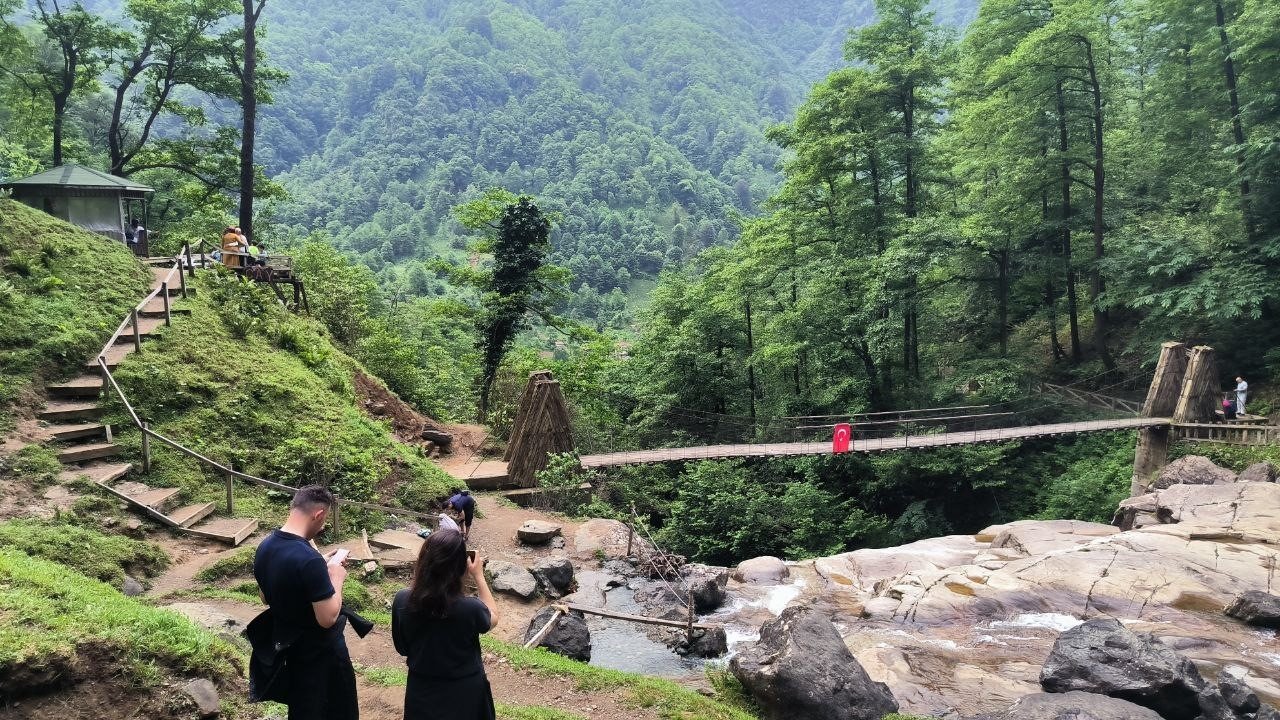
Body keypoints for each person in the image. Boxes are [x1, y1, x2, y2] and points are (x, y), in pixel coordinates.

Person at [252, 485, 359, 720]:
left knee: (303, 709)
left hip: (292, 651)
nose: (322, 527)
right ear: (318, 514)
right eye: (324, 521)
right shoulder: (307, 559)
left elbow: (265, 596)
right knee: (337, 711)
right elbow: (327, 617)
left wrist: (319, 566)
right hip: (322, 655)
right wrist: (335, 577)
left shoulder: (266, 546)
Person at [392, 529, 499, 720]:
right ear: (460, 567)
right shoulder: (470, 608)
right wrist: (479, 576)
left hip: (421, 691)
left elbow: (402, 647)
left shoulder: (402, 600)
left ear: (423, 561)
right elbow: (493, 618)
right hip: (465, 695)